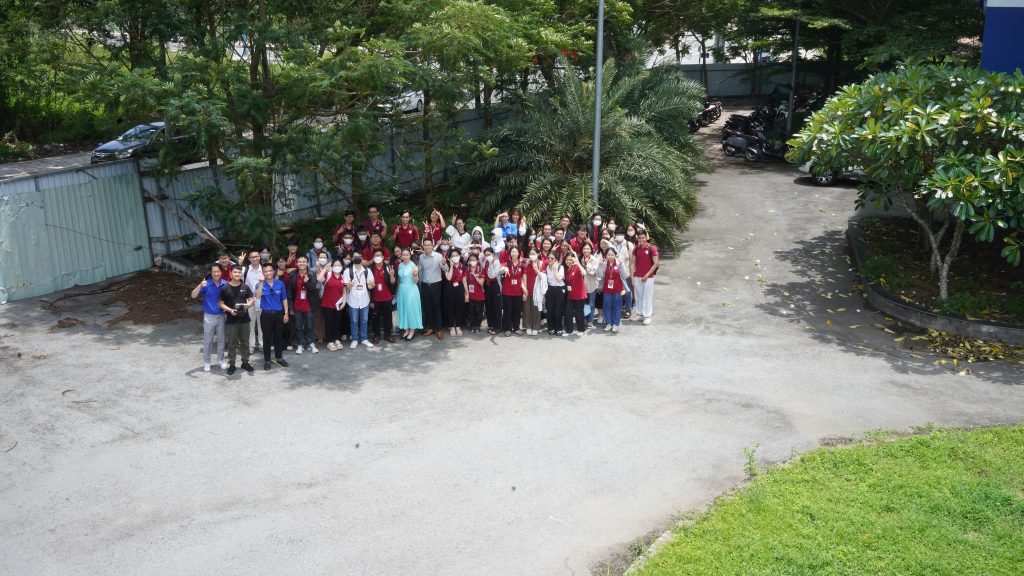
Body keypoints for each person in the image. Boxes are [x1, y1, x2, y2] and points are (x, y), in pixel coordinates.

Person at [219, 265, 255, 374]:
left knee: (245, 342)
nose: (237, 274)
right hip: (231, 320)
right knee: (232, 343)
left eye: (239, 272)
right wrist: (230, 310)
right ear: (231, 273)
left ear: (241, 274)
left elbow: (251, 300)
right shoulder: (225, 288)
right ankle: (232, 364)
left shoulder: (245, 287)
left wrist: (247, 305)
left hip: (245, 319)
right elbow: (220, 303)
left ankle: (245, 362)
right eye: (235, 272)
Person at [192, 264, 227, 372]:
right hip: (209, 317)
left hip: (222, 316)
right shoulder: (206, 284)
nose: (216, 274)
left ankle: (220, 360)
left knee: (221, 339)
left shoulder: (225, 284)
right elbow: (193, 295)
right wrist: (200, 285)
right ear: (211, 273)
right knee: (208, 341)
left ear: (221, 272)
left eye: (218, 271)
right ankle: (207, 362)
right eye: (213, 272)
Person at [254, 264, 290, 370]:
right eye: (265, 271)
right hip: (266, 315)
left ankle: (279, 358)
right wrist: (261, 283)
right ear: (263, 273)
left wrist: (286, 313)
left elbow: (284, 299)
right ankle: (267, 360)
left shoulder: (280, 283)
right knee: (267, 338)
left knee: (278, 337)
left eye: (270, 271)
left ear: (273, 272)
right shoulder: (259, 284)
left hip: (278, 314)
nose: (268, 273)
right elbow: (257, 296)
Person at [287, 255, 319, 354]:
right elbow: (289, 292)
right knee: (298, 327)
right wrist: (290, 307)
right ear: (297, 263)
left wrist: (307, 282)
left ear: (307, 263)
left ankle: (311, 343)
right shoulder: (293, 275)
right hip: (297, 306)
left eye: (304, 262)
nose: (302, 264)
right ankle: (300, 344)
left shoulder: (311, 274)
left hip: (309, 306)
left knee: (310, 326)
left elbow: (313, 288)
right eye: (300, 262)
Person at [343, 254, 374, 348]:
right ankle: (354, 339)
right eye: (355, 256)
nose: (357, 258)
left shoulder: (367, 271)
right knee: (354, 320)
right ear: (352, 259)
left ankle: (364, 339)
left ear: (362, 258)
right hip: (353, 300)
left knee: (364, 320)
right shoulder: (348, 271)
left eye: (359, 256)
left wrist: (372, 285)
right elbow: (345, 287)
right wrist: (349, 286)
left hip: (364, 299)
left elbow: (371, 285)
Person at [417, 237, 445, 340]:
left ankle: (439, 329)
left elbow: (445, 269)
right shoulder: (421, 257)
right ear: (423, 246)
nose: (427, 247)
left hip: (436, 284)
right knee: (427, 307)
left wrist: (444, 263)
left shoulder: (438, 256)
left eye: (429, 245)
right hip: (425, 285)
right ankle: (430, 328)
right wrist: (420, 283)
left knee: (436, 307)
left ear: (432, 245)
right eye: (425, 245)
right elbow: (420, 271)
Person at [598, 247, 630, 333]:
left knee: (617, 307)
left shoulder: (619, 264)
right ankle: (609, 323)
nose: (610, 256)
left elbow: (625, 276)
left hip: (617, 289)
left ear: (615, 255)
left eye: (612, 255)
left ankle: (615, 324)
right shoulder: (604, 264)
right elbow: (599, 275)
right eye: (608, 255)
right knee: (607, 306)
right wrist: (600, 266)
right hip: (606, 289)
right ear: (606, 255)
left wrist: (622, 264)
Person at [318, 258, 346, 351]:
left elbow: (344, 291)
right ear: (332, 266)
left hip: (338, 304)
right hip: (327, 304)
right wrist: (325, 269)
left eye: (339, 265)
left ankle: (337, 339)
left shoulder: (343, 277)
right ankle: (329, 341)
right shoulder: (328, 274)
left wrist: (344, 302)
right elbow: (319, 279)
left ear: (342, 266)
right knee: (329, 323)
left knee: (338, 322)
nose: (337, 267)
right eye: (335, 265)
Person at [632, 228, 659, 325]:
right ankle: (639, 314)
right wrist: (632, 276)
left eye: (643, 237)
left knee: (647, 296)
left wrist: (647, 275)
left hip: (648, 277)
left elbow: (656, 263)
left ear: (646, 237)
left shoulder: (652, 248)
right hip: (637, 276)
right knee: (638, 295)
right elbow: (633, 263)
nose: (641, 240)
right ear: (637, 238)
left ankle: (647, 316)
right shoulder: (636, 249)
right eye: (639, 238)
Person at [369, 249, 396, 344]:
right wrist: (371, 300)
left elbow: (393, 282)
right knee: (375, 318)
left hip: (387, 297)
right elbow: (368, 286)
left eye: (379, 255)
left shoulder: (388, 268)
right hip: (375, 298)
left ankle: (388, 335)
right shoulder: (370, 269)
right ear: (373, 257)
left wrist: (392, 275)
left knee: (388, 318)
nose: (378, 257)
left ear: (383, 257)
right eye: (376, 255)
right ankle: (376, 335)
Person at [498, 246, 526, 336]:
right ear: (510, 254)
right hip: (507, 292)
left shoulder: (522, 265)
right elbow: (500, 271)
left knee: (517, 311)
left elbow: (524, 278)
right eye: (512, 252)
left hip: (518, 292)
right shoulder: (506, 264)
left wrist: (525, 292)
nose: (514, 253)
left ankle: (516, 328)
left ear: (519, 253)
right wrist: (504, 269)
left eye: (515, 252)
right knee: (507, 311)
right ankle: (508, 328)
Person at [396, 248, 423, 340]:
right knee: (404, 309)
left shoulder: (413, 265)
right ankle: (406, 329)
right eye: (403, 255)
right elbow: (399, 279)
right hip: (402, 290)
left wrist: (415, 274)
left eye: (407, 255)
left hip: (411, 289)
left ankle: (412, 330)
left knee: (411, 309)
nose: (405, 257)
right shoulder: (400, 265)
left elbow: (416, 281)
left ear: (410, 255)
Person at [243, 250, 264, 353]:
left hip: (263, 301)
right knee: (250, 324)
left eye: (257, 256)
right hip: (249, 301)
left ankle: (262, 344)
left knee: (261, 324)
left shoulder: (264, 269)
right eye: (253, 257)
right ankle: (251, 346)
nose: (255, 258)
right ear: (249, 259)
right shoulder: (245, 270)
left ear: (260, 257)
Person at [522, 246, 546, 335]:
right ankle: (528, 326)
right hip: (527, 289)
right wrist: (524, 290)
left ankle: (536, 327)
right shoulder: (527, 263)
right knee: (527, 309)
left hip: (537, 290)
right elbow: (524, 276)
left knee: (536, 309)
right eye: (530, 254)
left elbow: (543, 278)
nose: (531, 255)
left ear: (538, 254)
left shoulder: (541, 263)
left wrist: (536, 269)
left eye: (533, 254)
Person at [612, 229, 635, 319]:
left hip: (626, 273)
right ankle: (617, 309)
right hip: (614, 273)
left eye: (621, 234)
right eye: (617, 234)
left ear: (624, 235)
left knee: (627, 292)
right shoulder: (612, 244)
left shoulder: (629, 245)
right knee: (616, 291)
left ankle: (628, 309)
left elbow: (632, 261)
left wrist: (631, 273)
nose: (619, 236)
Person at [443, 248, 466, 336]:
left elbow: (464, 280)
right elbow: (448, 278)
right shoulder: (447, 266)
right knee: (450, 307)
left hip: (460, 287)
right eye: (453, 256)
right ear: (450, 257)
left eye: (456, 255)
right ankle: (452, 326)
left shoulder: (463, 266)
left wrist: (466, 292)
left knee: (459, 307)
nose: (455, 257)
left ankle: (458, 326)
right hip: (449, 287)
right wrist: (452, 266)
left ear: (460, 256)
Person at [564, 252, 588, 335]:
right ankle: (569, 331)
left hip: (579, 295)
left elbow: (584, 273)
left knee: (579, 313)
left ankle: (581, 330)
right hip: (570, 295)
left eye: (571, 260)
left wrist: (578, 263)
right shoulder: (566, 270)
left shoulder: (577, 267)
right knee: (568, 313)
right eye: (567, 259)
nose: (569, 261)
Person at [580, 243, 602, 328]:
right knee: (584, 304)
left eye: (588, 249)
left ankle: (590, 320)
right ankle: (585, 319)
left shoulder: (595, 260)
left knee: (591, 304)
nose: (586, 250)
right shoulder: (580, 259)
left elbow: (593, 273)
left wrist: (587, 264)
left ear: (591, 250)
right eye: (584, 249)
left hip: (592, 285)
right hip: (582, 285)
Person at [482, 246, 503, 335]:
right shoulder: (485, 262)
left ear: (493, 254)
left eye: (489, 254)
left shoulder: (496, 262)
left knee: (496, 307)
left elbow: (492, 275)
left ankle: (497, 327)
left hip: (495, 286)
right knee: (489, 306)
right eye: (486, 255)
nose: (488, 256)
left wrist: (491, 264)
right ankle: (491, 325)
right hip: (487, 286)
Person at [464, 252, 486, 333]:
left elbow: (481, 283)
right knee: (470, 311)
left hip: (479, 295)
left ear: (477, 260)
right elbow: (464, 281)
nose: (472, 261)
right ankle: (472, 325)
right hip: (470, 294)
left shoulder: (481, 269)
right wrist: (466, 293)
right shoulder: (467, 269)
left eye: (473, 260)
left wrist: (475, 275)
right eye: (470, 260)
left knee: (479, 311)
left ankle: (477, 325)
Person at [544, 253, 565, 335]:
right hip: (550, 289)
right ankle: (551, 328)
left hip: (559, 289)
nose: (550, 260)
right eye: (548, 258)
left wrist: (554, 269)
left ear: (556, 259)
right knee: (550, 310)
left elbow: (559, 279)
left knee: (558, 311)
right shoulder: (547, 267)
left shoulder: (560, 267)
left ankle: (558, 328)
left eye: (552, 258)